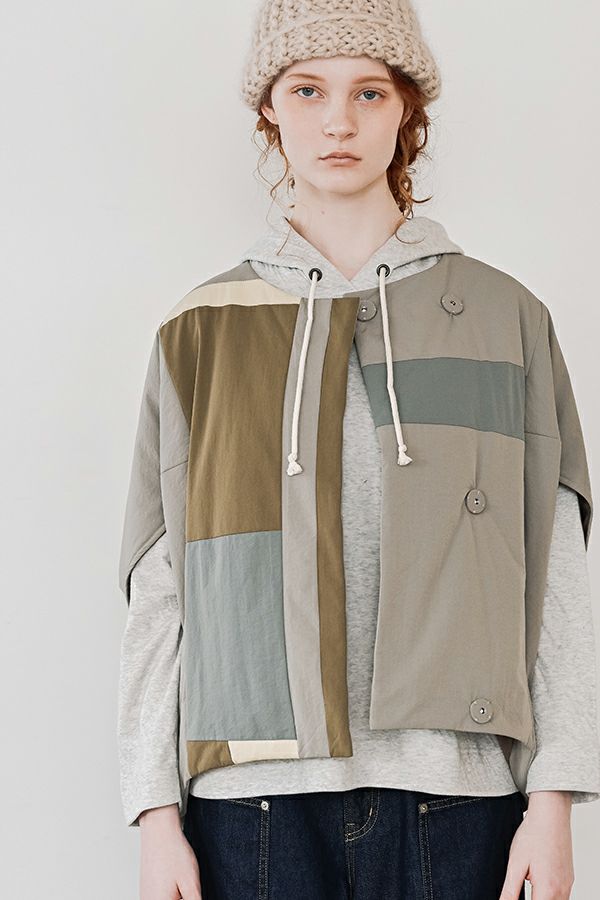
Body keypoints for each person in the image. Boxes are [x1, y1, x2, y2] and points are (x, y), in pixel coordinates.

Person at [117, 1, 600, 897]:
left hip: (460, 796)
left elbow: (557, 571)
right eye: (308, 90)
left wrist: (556, 798)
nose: (338, 121)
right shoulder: (201, 330)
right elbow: (161, 584)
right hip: (251, 803)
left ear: (406, 107)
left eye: (368, 92)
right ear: (270, 108)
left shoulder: (506, 318)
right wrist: (153, 815)